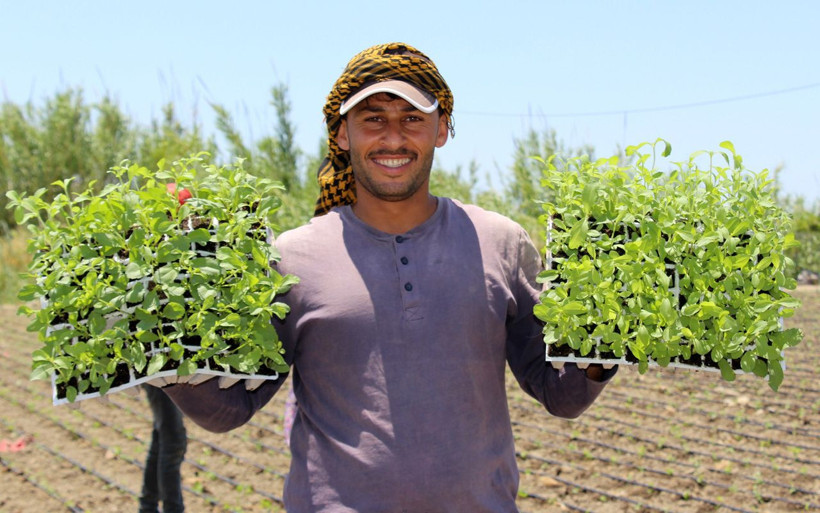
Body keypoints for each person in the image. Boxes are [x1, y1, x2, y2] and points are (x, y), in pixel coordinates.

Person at [163, 42, 616, 512]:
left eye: (412, 118)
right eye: (373, 118)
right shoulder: (290, 258)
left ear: (441, 129)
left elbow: (560, 393)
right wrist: (166, 363)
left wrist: (605, 341)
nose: (394, 138)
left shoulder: (500, 243)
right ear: (342, 134)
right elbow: (230, 410)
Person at [139, 385, 187, 513]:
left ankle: (147, 506)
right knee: (173, 441)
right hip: (161, 377)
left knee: (162, 437)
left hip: (163, 376)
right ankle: (172, 509)